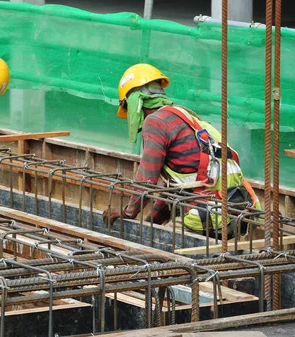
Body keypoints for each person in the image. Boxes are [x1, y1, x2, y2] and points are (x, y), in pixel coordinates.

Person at [102, 63, 260, 236]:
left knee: (163, 246)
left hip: (212, 214)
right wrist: (147, 226)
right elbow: (174, 191)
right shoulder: (184, 116)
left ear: (135, 103)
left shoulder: (155, 122)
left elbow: (146, 180)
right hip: (243, 209)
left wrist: (128, 212)